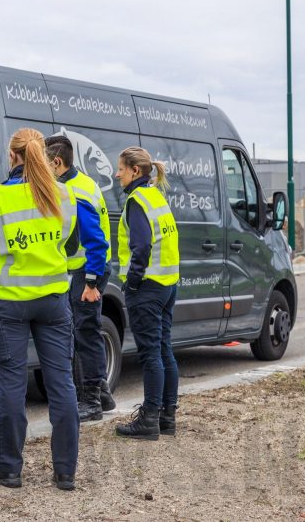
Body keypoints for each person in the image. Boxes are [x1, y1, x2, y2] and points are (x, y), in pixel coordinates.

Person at [0, 128, 106, 491]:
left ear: (12, 157)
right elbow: (74, 242)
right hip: (54, 302)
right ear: (43, 157)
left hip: (12, 303)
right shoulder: (63, 194)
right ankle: (65, 471)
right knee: (62, 382)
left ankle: (9, 467)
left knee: (12, 384)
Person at [46, 135, 115, 422]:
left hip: (87, 269)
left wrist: (90, 283)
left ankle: (92, 403)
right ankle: (103, 395)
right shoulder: (82, 184)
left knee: (85, 334)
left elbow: (95, 242)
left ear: (57, 162)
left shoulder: (75, 191)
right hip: (88, 268)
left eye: (44, 162)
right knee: (85, 332)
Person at [113, 147, 180, 441]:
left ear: (135, 171)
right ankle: (167, 416)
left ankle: (149, 420)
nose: (117, 174)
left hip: (148, 288)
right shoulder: (155, 195)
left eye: (121, 169)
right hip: (167, 285)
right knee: (164, 350)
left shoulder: (136, 200)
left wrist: (134, 282)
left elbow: (141, 247)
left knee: (151, 354)